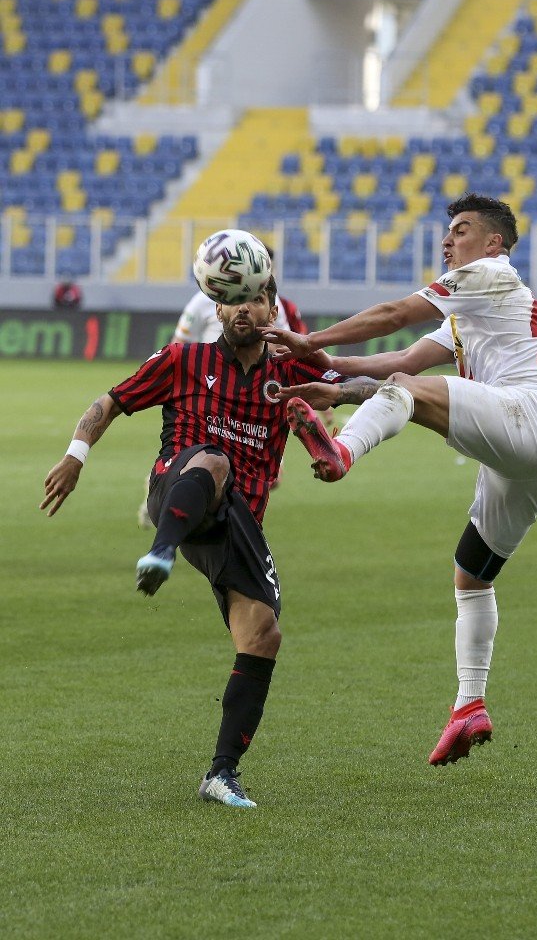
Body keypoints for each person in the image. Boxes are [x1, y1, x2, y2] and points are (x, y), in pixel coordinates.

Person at [262, 193, 537, 768]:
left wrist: (313, 343)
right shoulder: (471, 309)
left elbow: (393, 315)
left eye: (460, 230)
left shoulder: (489, 275)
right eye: (447, 232)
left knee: (408, 393)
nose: (447, 240)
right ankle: (469, 705)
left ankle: (340, 452)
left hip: (531, 417)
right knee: (471, 577)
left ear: (494, 243)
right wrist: (335, 379)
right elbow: (401, 358)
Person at [40, 274, 364, 809]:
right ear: (217, 309)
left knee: (263, 636)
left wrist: (340, 391)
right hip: (179, 488)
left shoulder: (291, 369)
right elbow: (111, 401)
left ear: (271, 307)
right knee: (214, 459)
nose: (244, 309)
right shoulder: (182, 360)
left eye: (255, 298)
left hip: (238, 520)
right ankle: (160, 550)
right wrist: (76, 454)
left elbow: (371, 387)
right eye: (232, 300)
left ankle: (221, 774)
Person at [136, 255, 331, 526]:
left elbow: (283, 348)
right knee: (206, 465)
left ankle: (206, 520)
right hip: (208, 392)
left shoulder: (271, 305)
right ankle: (176, 503)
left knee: (268, 479)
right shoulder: (203, 300)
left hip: (254, 396)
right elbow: (180, 339)